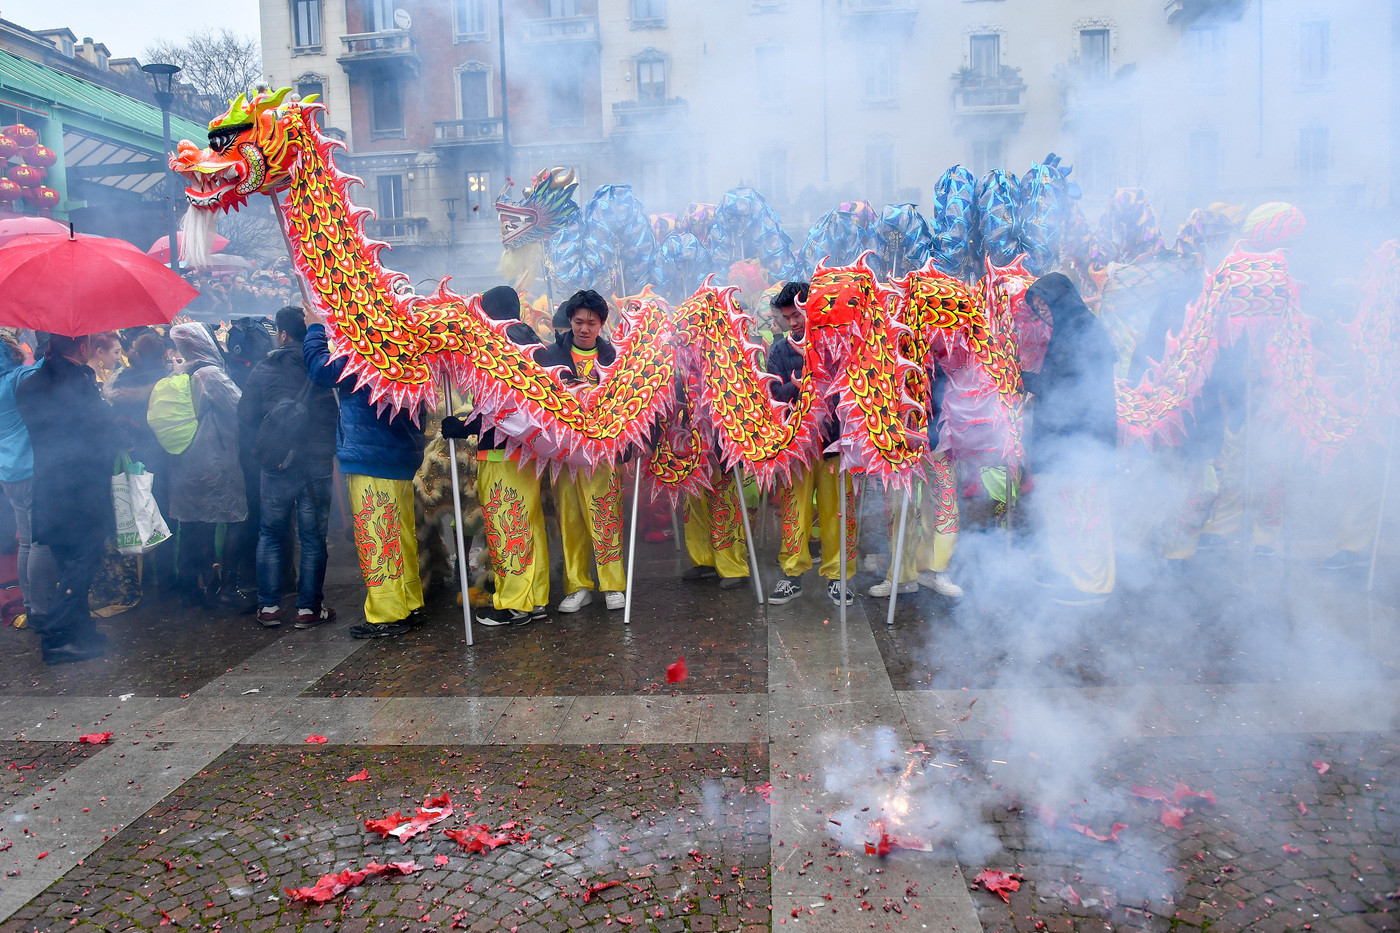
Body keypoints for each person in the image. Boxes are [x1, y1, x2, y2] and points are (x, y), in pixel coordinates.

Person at [305, 305, 426, 637]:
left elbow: (320, 371)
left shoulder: (367, 342)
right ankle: (409, 602)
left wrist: (315, 330)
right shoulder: (405, 339)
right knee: (400, 534)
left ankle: (388, 612)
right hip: (401, 453)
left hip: (371, 453)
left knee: (377, 534)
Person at [442, 285, 549, 627]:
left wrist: (463, 427)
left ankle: (515, 602)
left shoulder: (503, 345)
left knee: (508, 526)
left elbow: (502, 407)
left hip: (504, 454)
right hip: (524, 453)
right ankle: (534, 598)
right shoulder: (528, 342)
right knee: (526, 524)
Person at [15, 332, 121, 664]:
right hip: (80, 489)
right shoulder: (75, 383)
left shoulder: (30, 384)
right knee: (81, 564)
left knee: (69, 563)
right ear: (83, 347)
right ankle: (57, 636)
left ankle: (79, 629)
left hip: (51, 484)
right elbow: (100, 432)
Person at [1022, 273, 1119, 605]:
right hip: (1068, 439)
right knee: (1068, 509)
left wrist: (1022, 377)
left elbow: (1065, 388)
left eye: (1044, 303)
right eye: (1036, 306)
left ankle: (1093, 583)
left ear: (1060, 298)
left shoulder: (1081, 327)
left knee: (1085, 511)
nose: (1041, 310)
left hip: (1084, 440)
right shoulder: (1069, 327)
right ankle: (1069, 572)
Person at [239, 307, 338, 629]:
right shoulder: (318, 363)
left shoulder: (265, 367)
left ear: (282, 333)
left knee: (270, 533)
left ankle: (268, 607)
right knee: (312, 537)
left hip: (277, 459)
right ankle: (308, 609)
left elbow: (245, 414)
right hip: (317, 460)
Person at [762, 282, 857, 607]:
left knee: (836, 513)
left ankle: (838, 576)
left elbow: (850, 387)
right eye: (788, 317)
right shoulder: (779, 351)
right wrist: (798, 384)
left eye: (798, 315)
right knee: (794, 512)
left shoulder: (836, 343)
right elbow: (772, 395)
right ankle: (792, 576)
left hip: (832, 443)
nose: (794, 323)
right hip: (795, 447)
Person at [534, 289, 627, 612]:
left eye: (591, 322)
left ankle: (613, 584)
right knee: (570, 519)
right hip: (563, 454)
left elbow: (626, 405)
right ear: (569, 323)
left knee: (604, 517)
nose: (584, 329)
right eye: (578, 322)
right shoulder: (549, 357)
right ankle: (578, 585)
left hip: (602, 454)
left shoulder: (614, 358)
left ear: (602, 324)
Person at [166, 323, 248, 609]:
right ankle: (229, 587)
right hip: (216, 460)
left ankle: (192, 585)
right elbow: (241, 408)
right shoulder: (210, 375)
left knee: (193, 523)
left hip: (185, 460)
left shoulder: (179, 373)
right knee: (235, 518)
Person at [869, 364, 964, 601]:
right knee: (898, 506)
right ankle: (901, 575)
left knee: (944, 503)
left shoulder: (939, 333)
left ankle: (936, 570)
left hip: (938, 434)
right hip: (897, 437)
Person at [107, 332, 177, 593]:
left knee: (136, 512)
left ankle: (142, 579)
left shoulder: (123, 380)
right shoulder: (167, 380)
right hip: (162, 453)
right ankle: (168, 579)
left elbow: (115, 416)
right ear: (161, 355)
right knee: (163, 514)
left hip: (133, 457)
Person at [0, 332, 44, 628]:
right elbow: (45, 367)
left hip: (7, 471)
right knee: (38, 542)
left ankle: (31, 603)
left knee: (26, 542)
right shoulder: (15, 380)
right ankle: (41, 608)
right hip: (28, 468)